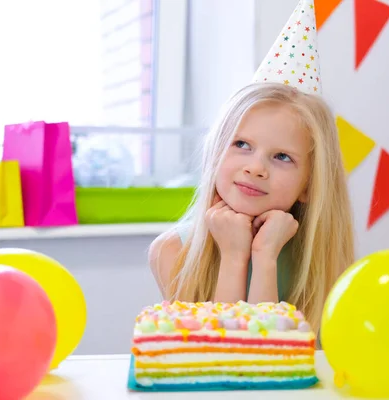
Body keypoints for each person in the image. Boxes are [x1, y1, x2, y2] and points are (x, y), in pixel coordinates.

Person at [148, 1, 355, 335]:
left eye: (282, 157)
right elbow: (220, 360)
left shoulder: (321, 261)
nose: (256, 168)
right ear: (216, 154)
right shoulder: (173, 252)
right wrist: (233, 256)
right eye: (241, 145)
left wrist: (265, 258)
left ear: (309, 185)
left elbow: (277, 361)